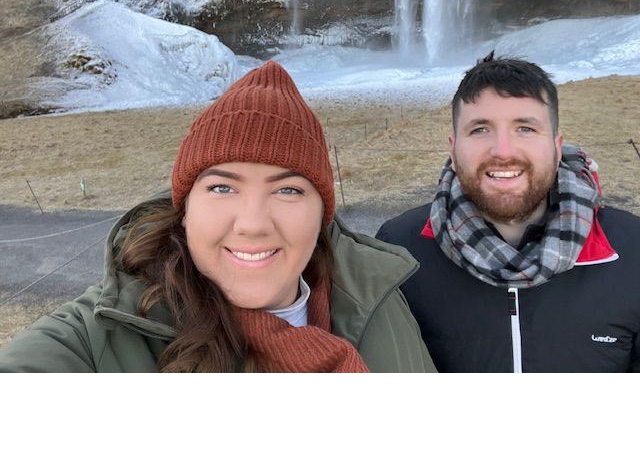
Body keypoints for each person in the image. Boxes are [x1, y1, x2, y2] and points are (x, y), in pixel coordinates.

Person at [0, 61, 436, 373]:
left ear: (323, 213)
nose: (252, 223)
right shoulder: (102, 333)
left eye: (288, 190)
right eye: (222, 188)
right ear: (184, 210)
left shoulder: (380, 298)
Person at [377, 51, 640, 373]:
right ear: (453, 149)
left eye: (525, 128)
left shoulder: (633, 249)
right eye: (480, 129)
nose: (503, 151)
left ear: (556, 147)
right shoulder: (399, 250)